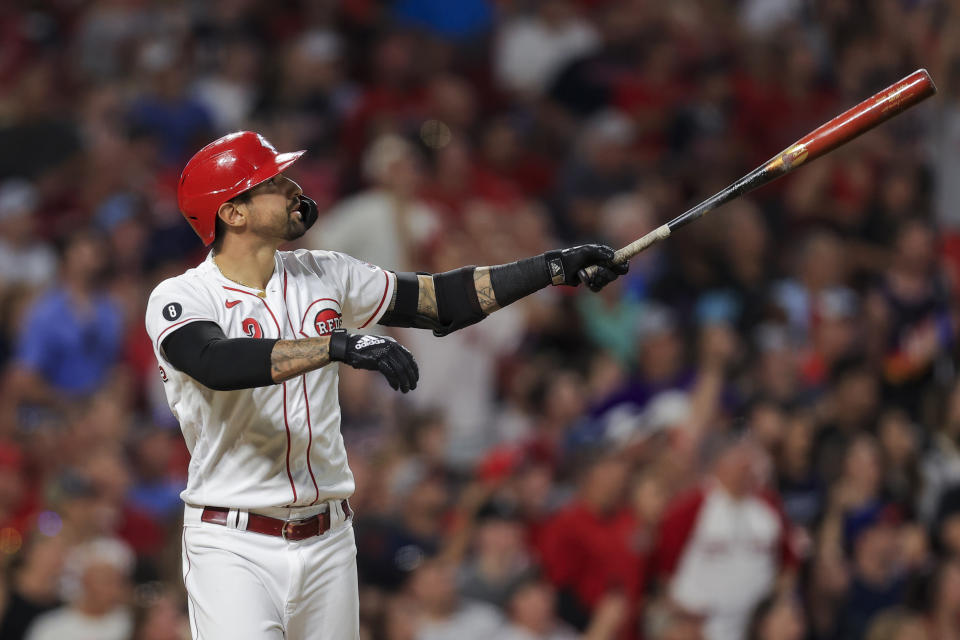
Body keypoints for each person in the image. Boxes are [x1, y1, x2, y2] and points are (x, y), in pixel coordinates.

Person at [144, 131, 627, 640]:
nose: (292, 188)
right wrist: (335, 345)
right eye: (272, 181)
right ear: (232, 213)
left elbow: (442, 299)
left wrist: (549, 268)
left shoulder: (325, 272)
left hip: (327, 537)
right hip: (232, 542)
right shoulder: (183, 296)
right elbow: (214, 361)